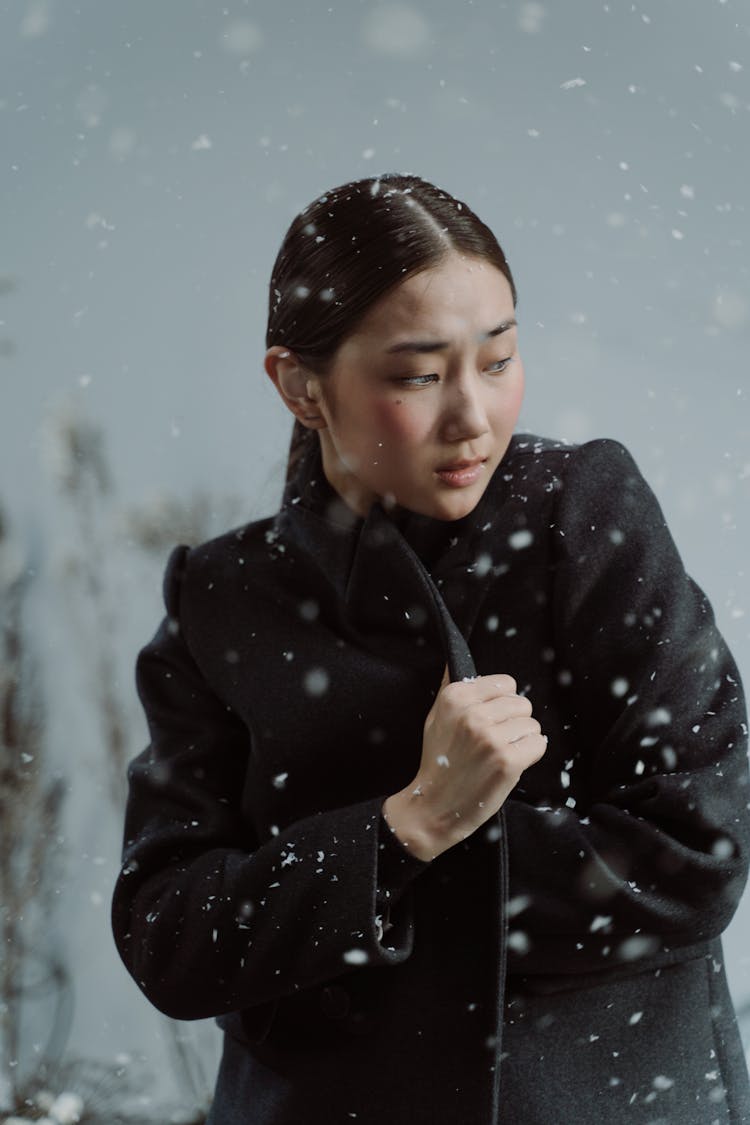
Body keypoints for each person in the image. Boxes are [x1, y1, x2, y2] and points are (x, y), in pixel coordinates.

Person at [112, 173, 750, 1124]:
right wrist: (406, 824)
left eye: (498, 360)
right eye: (418, 375)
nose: (473, 416)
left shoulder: (582, 514)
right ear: (299, 384)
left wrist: (361, 908)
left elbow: (698, 847)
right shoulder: (222, 595)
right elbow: (169, 935)